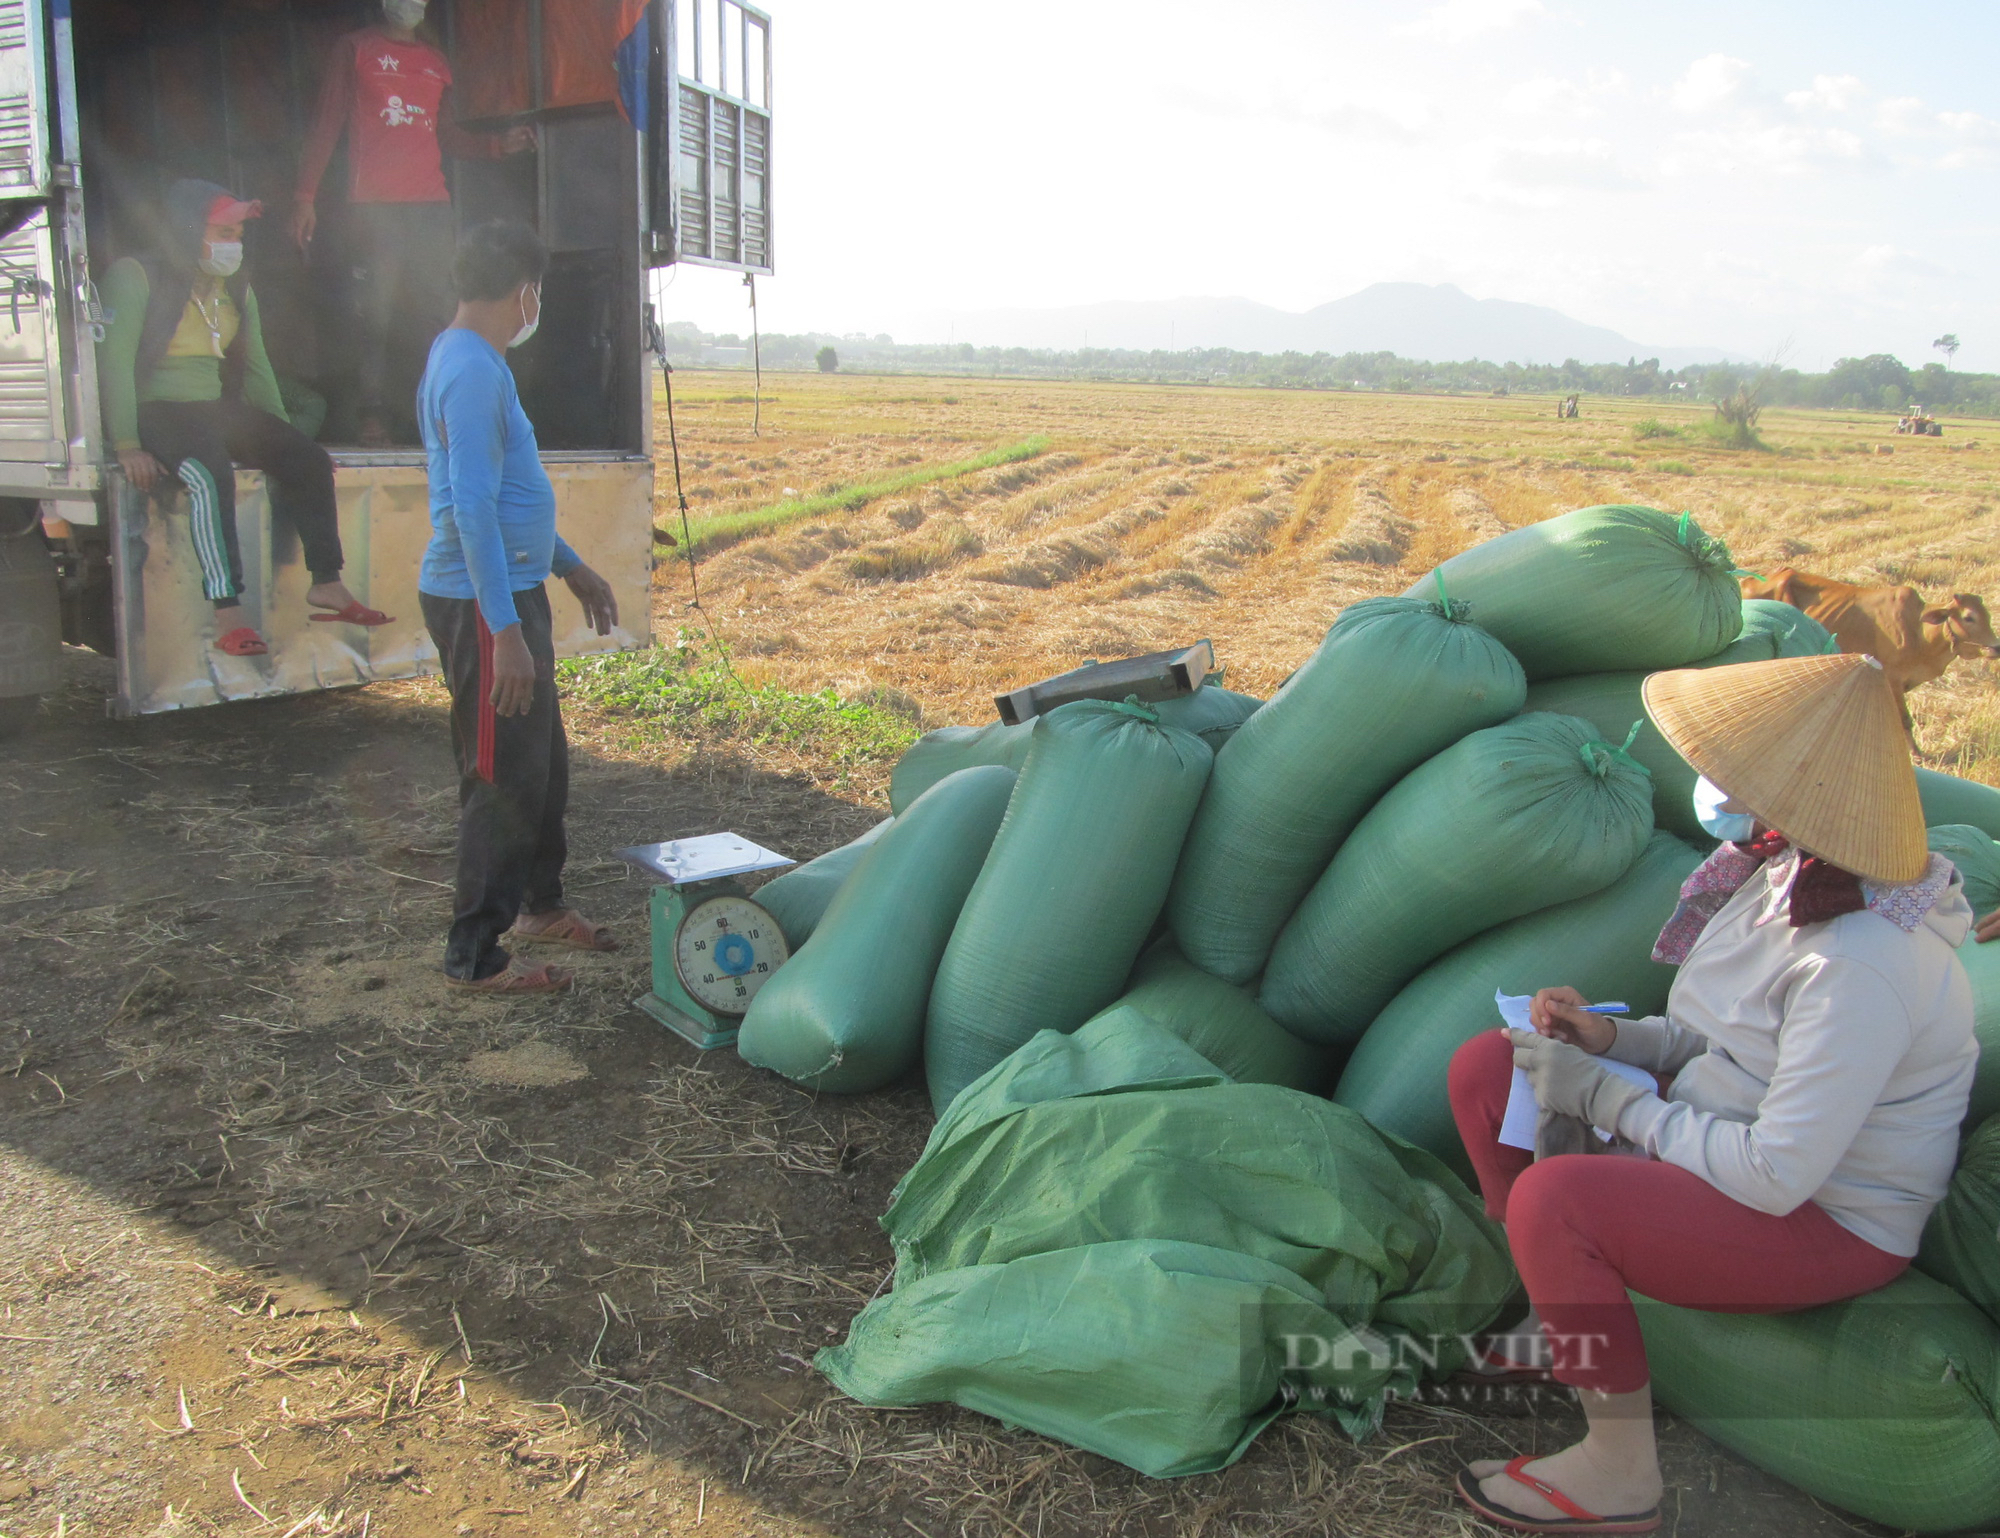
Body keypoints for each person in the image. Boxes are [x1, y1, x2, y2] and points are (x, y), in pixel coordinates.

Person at [1447, 652, 1974, 1535]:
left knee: (1556, 1200)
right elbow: (1722, 1040)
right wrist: (1610, 1040)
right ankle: (1558, 1328)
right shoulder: (1788, 874)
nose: (1714, 783)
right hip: (1729, 1128)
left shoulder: (1864, 963)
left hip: (1824, 1216)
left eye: (1737, 772)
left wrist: (1610, 1100)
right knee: (1488, 1068)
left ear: (1801, 792)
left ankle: (1618, 1475)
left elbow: (1777, 1172)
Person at [417, 220, 621, 994]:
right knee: (501, 779)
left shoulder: (477, 359)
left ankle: (540, 904)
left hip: (512, 590)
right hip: (483, 602)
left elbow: (509, 499)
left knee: (540, 768)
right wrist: (503, 629)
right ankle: (475, 957)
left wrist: (570, 566)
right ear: (524, 292)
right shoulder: (470, 371)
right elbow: (471, 510)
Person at [100, 179, 388, 657]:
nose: (232, 244)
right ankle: (227, 610)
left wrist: (286, 436)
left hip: (212, 407)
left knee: (309, 460)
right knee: (208, 472)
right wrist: (127, 443)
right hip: (157, 410)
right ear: (185, 229)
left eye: (237, 234)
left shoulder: (234, 285)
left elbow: (256, 367)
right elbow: (113, 364)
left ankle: (327, 582)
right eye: (222, 232)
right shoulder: (135, 276)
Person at [293, 0, 536, 446]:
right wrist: (304, 196)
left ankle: (445, 414)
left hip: (429, 207)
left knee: (437, 313)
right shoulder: (356, 49)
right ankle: (371, 417)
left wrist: (497, 146)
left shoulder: (435, 62)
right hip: (373, 205)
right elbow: (326, 123)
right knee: (377, 312)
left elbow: (444, 136)